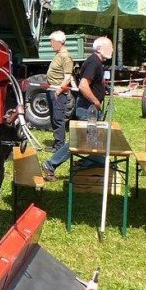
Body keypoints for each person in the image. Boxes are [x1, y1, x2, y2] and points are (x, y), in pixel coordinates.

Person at [43, 36, 112, 181]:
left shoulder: (95, 61)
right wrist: (96, 101)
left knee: (95, 138)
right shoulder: (94, 62)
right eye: (108, 47)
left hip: (90, 108)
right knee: (79, 140)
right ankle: (50, 164)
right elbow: (83, 86)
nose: (111, 50)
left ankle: (92, 162)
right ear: (99, 48)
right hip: (88, 108)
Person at [45, 30, 74, 152]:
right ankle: (57, 144)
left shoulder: (66, 57)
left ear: (58, 42)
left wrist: (58, 91)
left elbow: (67, 77)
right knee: (54, 118)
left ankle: (60, 146)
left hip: (58, 92)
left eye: (52, 41)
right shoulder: (58, 54)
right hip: (52, 89)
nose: (50, 44)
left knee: (58, 119)